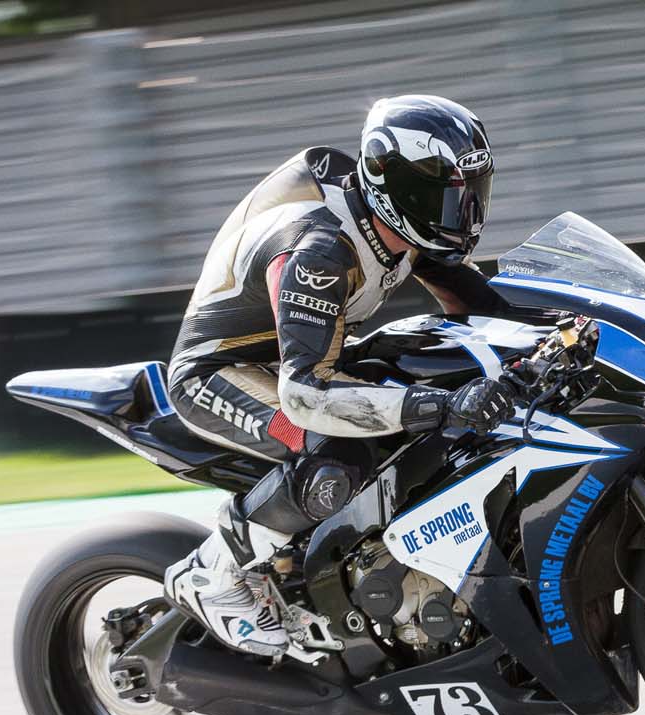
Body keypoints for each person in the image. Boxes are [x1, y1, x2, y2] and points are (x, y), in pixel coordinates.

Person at [163, 95, 516, 657]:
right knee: (332, 450)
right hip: (222, 376)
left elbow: (485, 310)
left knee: (419, 380)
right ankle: (216, 574)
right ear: (396, 186)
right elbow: (305, 395)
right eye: (450, 197)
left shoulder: (401, 224)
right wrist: (440, 407)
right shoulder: (322, 251)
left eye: (473, 195)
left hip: (300, 360)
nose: (466, 215)